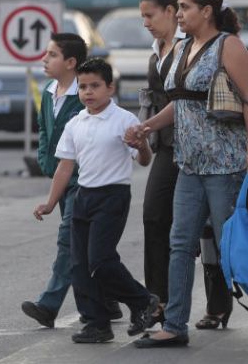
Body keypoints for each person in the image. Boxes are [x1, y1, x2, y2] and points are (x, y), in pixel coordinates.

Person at [127, 0, 248, 348]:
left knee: (231, 247)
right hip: (189, 162)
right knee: (179, 242)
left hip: (224, 164)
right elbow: (184, 101)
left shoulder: (229, 46)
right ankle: (175, 325)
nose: (180, 14)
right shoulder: (184, 47)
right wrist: (147, 126)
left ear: (206, 11)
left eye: (186, 7)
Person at [33, 58, 159, 343]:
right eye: (83, 87)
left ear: (110, 88)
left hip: (112, 195)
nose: (88, 92)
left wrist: (141, 145)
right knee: (79, 264)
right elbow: (65, 167)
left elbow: (143, 160)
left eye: (95, 86)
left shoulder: (124, 120)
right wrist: (51, 203)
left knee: (100, 260)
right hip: (83, 196)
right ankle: (96, 323)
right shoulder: (76, 122)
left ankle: (142, 300)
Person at [137, 0, 232, 329]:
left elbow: (246, 99)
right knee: (157, 220)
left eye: (151, 15)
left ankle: (220, 304)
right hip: (171, 148)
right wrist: (145, 131)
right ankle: (159, 304)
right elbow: (165, 102)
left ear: (169, 12)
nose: (146, 22)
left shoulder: (194, 49)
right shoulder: (158, 54)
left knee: (212, 232)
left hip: (206, 150)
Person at [21, 33, 122, 328]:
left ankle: (48, 305)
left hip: (83, 182)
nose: (44, 58)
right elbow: (43, 130)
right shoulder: (50, 89)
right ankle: (109, 300)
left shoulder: (83, 96)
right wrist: (44, 160)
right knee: (91, 245)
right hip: (61, 180)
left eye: (52, 54)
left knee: (69, 243)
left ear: (70, 62)